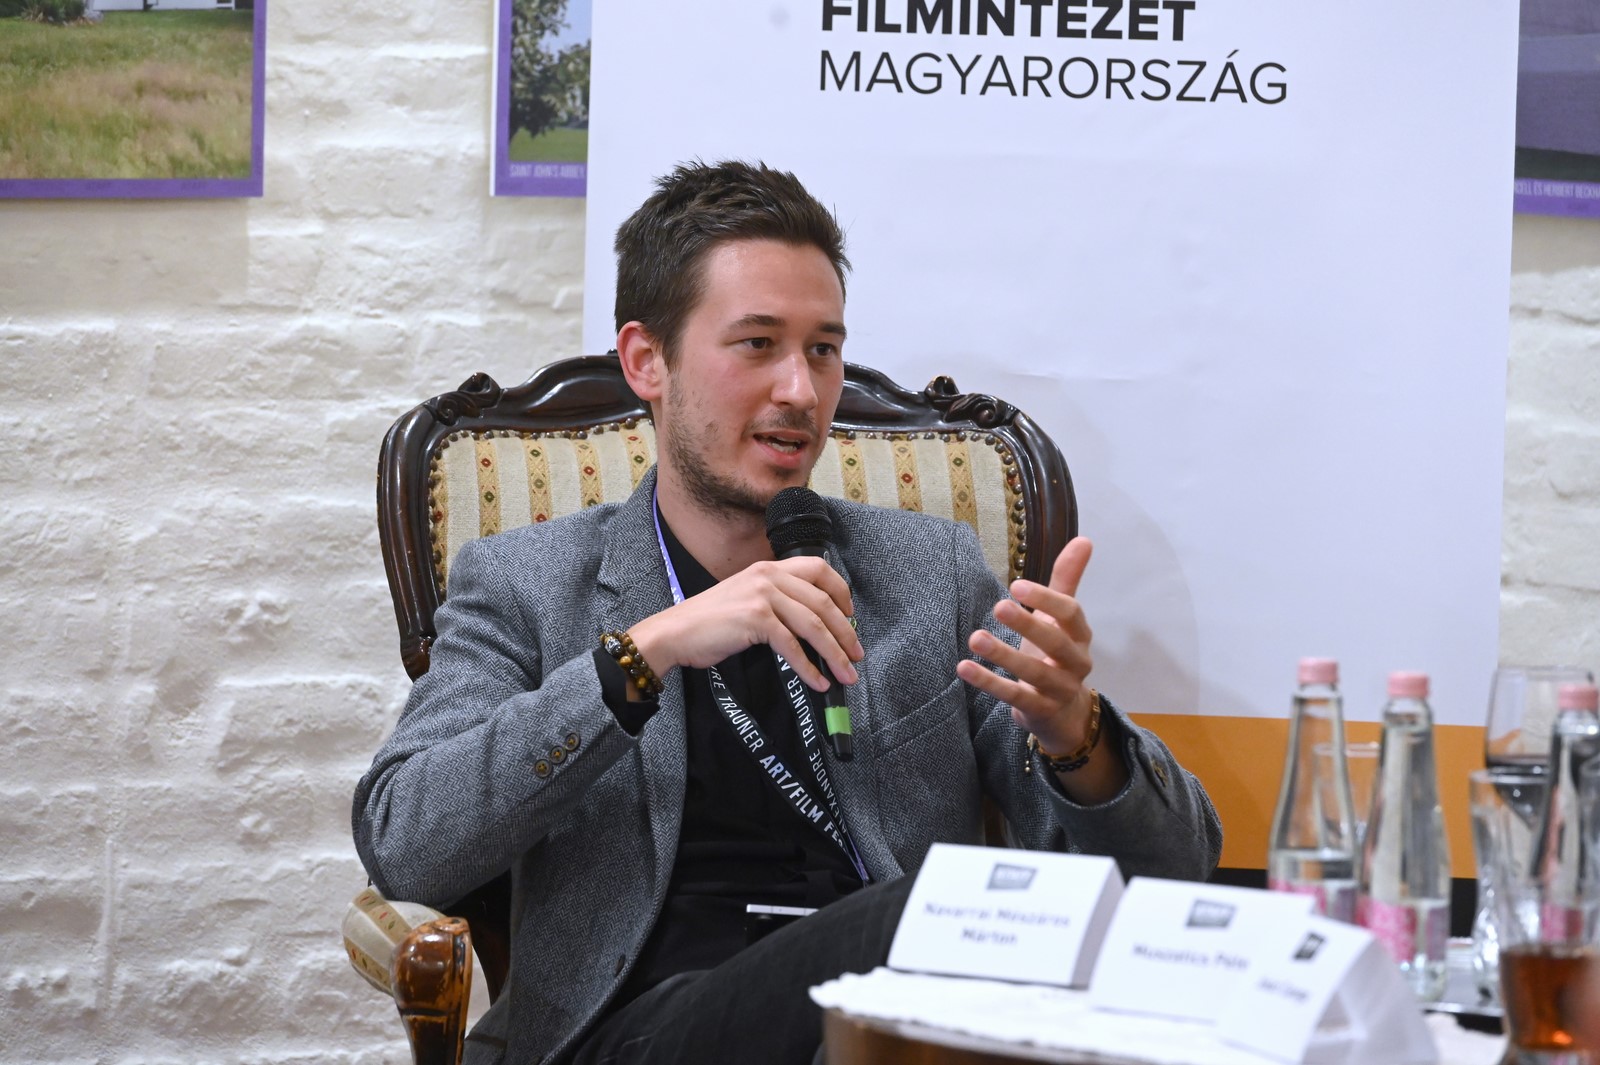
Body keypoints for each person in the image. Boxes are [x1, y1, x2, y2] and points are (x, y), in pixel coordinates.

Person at [353, 160, 1222, 1065]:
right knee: (941, 915)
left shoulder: (927, 573)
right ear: (647, 360)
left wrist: (1077, 733)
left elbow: (1175, 875)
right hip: (641, 1030)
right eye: (758, 344)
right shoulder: (526, 582)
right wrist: (646, 651)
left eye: (822, 350)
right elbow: (407, 842)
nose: (802, 393)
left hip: (890, 1029)